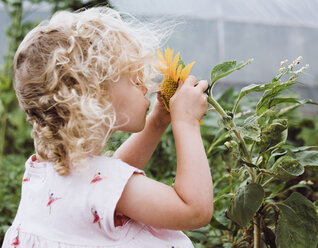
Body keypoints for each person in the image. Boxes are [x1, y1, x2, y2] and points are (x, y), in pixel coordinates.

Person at [2, 7, 213, 248]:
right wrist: (185, 121)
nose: (145, 86)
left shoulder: (44, 173)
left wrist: (157, 122)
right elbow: (194, 210)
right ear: (95, 97)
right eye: (134, 79)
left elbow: (105, 181)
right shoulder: (103, 182)